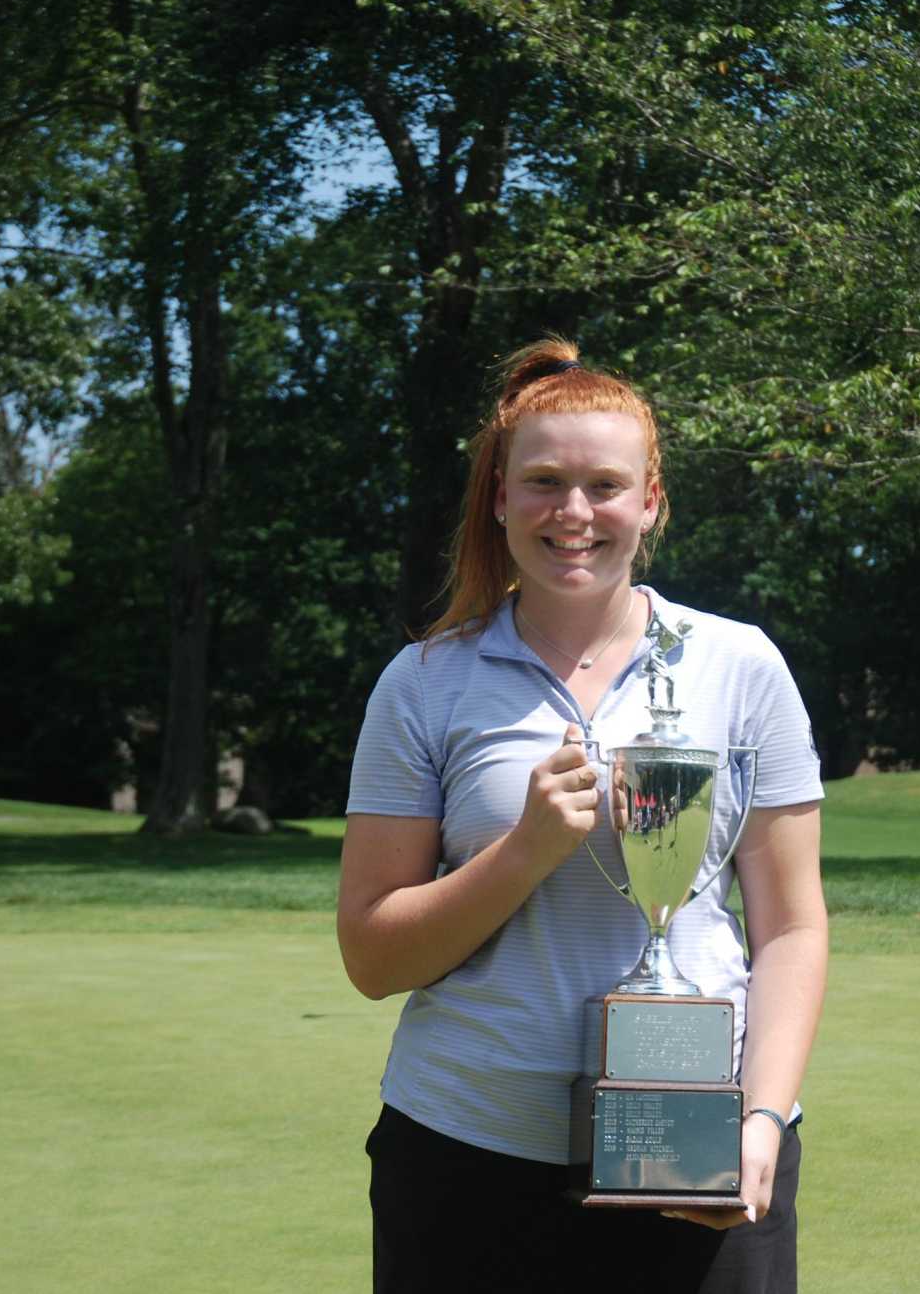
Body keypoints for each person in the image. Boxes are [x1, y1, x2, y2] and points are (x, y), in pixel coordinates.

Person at [340, 338, 828, 1294]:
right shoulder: (426, 682)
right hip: (466, 1154)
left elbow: (794, 926)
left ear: (650, 501)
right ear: (498, 499)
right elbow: (372, 956)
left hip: (700, 1147)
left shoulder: (741, 665)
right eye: (544, 482)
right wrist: (524, 852)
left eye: (605, 485)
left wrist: (762, 1121)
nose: (573, 512)